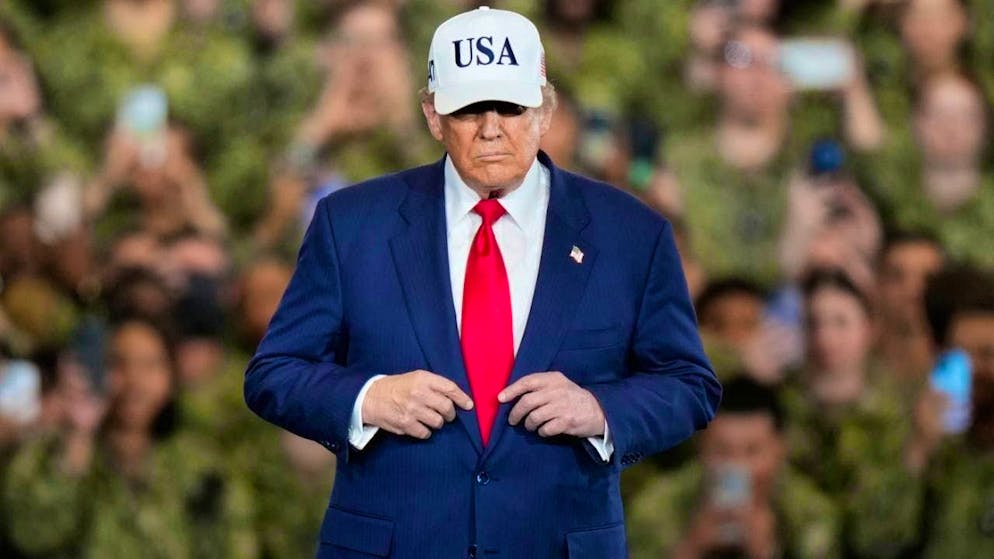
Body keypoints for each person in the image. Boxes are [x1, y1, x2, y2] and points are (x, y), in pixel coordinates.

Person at [244, 7, 720, 558]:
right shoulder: (351, 224)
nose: (492, 128)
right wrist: (369, 398)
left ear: (545, 109)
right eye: (470, 108)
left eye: (512, 107)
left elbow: (689, 385)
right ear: (432, 114)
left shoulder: (631, 234)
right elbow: (273, 374)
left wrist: (599, 410)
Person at [627, 376, 840, 559]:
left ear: (779, 449)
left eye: (752, 451)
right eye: (721, 451)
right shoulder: (658, 506)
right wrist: (690, 548)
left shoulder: (811, 515)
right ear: (700, 447)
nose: (736, 466)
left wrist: (766, 550)